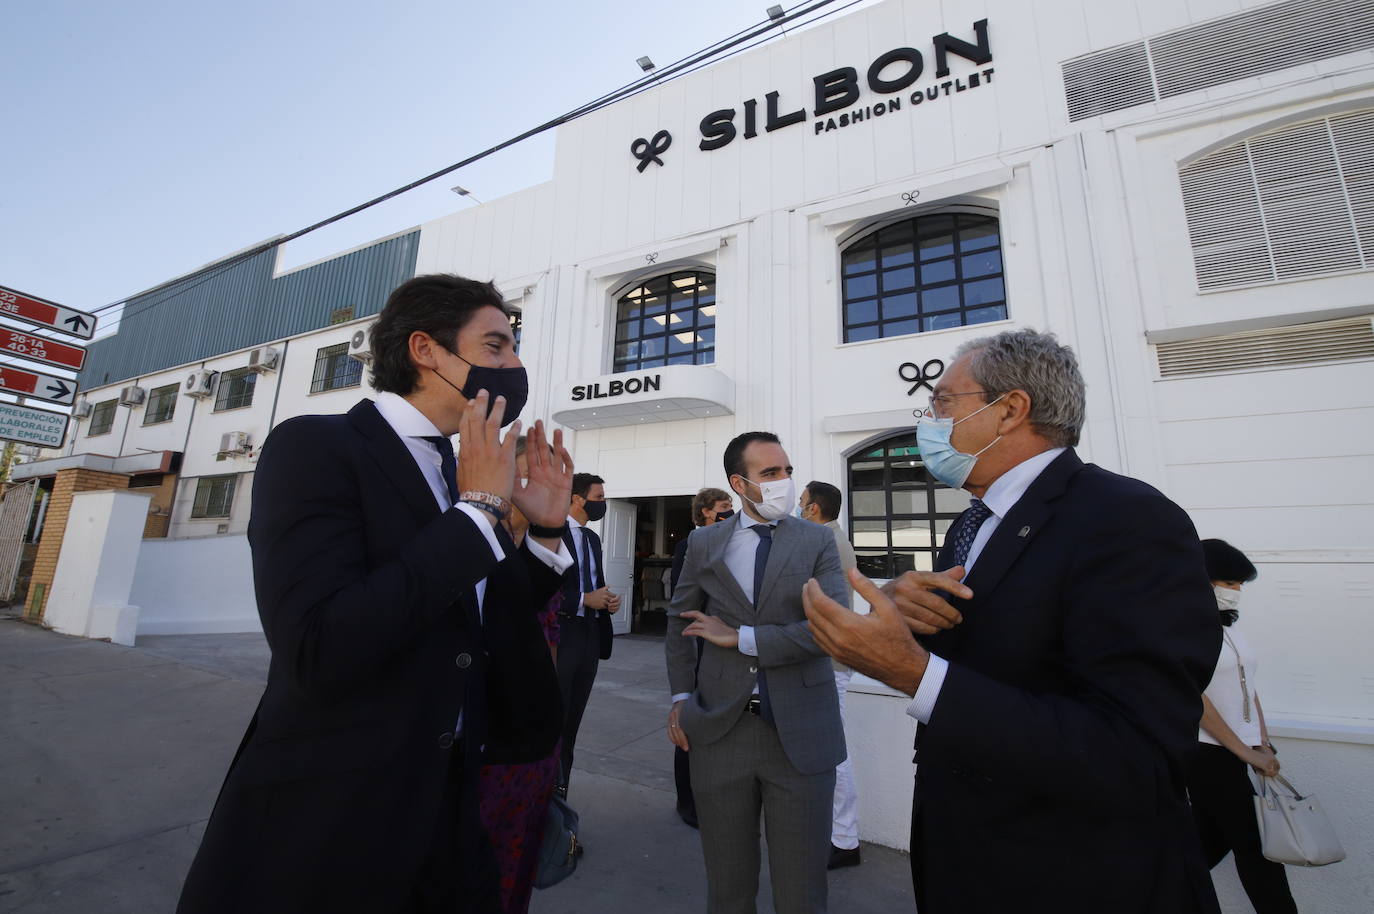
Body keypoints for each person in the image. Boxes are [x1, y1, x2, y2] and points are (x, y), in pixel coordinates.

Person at [176, 274, 575, 914]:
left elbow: (479, 620)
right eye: (497, 345)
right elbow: (318, 644)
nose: (515, 365)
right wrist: (475, 513)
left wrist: (546, 528)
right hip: (333, 818)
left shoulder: (460, 468)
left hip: (451, 811)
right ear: (425, 349)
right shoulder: (317, 446)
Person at [801, 329, 1223, 914]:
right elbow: (1001, 651)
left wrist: (915, 674)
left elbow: (1134, 753)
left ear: (1010, 410)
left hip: (1070, 878)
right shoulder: (972, 524)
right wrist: (904, 611)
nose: (929, 418)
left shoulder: (1129, 519)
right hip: (967, 858)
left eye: (942, 401)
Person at [666, 432, 848, 914]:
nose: (784, 482)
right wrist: (680, 697)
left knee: (802, 892)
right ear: (738, 483)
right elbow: (678, 620)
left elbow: (831, 629)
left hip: (802, 733)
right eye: (770, 474)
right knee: (727, 888)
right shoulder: (704, 543)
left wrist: (742, 638)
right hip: (720, 732)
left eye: (788, 471)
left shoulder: (816, 540)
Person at [477, 436, 567, 914]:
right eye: (527, 474)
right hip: (484, 745)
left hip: (534, 741)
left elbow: (546, 633)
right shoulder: (469, 538)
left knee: (516, 873)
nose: (538, 485)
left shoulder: (544, 543)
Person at [1188, 539, 1298, 914]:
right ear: (1203, 580)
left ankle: (1147, 892)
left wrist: (1262, 742)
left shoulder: (1231, 629)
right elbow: (1196, 699)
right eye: (1229, 583)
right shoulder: (1185, 631)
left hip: (1241, 750)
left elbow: (1248, 688)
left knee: (1207, 843)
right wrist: (1240, 749)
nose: (1235, 592)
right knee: (1257, 848)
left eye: (1239, 586)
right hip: (1208, 751)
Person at [797, 481, 862, 870]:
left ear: (814, 509)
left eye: (803, 503)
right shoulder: (832, 540)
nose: (798, 508)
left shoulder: (826, 544)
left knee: (835, 755)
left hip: (828, 663)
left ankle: (845, 839)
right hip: (823, 661)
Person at [670, 486, 734, 829]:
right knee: (691, 723)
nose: (730, 511)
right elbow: (682, 603)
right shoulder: (689, 546)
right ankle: (688, 801)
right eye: (724, 506)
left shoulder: (731, 542)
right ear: (706, 512)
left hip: (726, 648)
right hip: (698, 645)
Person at [555, 472, 620, 796]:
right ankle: (544, 806)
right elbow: (540, 592)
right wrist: (582, 600)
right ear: (578, 499)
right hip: (561, 635)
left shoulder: (592, 539)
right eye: (598, 498)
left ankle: (560, 808)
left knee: (571, 727)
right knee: (554, 722)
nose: (603, 504)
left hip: (590, 635)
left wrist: (605, 600)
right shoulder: (550, 533)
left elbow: (594, 582)